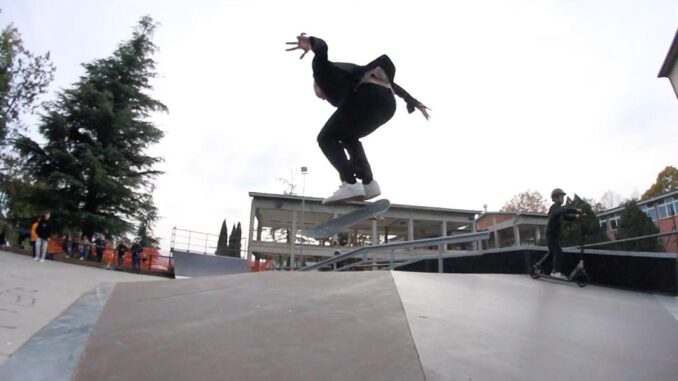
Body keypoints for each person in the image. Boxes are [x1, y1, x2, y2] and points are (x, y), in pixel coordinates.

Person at [286, 34, 430, 204]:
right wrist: (411, 100)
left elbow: (322, 50)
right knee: (348, 136)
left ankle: (350, 183)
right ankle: (369, 184)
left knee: (325, 138)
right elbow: (390, 83)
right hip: (387, 105)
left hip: (368, 98)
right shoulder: (353, 77)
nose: (323, 99)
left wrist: (311, 42)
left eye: (320, 96)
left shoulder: (322, 72)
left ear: (317, 86)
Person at [534, 188, 582, 279]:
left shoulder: (560, 209)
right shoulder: (554, 208)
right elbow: (562, 211)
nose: (562, 198)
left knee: (552, 253)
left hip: (554, 236)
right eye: (561, 196)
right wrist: (575, 210)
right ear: (555, 198)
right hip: (551, 235)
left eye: (563, 197)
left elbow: (566, 216)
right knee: (558, 251)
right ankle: (555, 272)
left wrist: (576, 217)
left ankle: (538, 266)